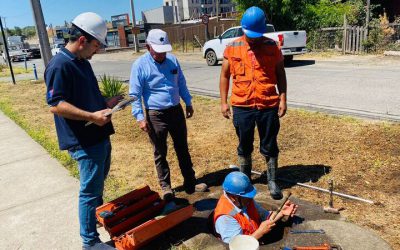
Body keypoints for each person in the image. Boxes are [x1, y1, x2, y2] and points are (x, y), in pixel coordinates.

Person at [44, 12, 120, 250]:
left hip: (98, 135)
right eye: (96, 44)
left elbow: (85, 98)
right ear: (83, 40)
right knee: (89, 191)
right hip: (83, 141)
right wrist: (91, 116)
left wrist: (106, 103)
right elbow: (56, 105)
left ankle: (96, 217)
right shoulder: (60, 65)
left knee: (97, 184)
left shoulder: (82, 63)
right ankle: (90, 242)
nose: (97, 50)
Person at [129, 29, 207, 201]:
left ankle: (190, 182)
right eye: (158, 51)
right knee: (160, 151)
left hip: (175, 110)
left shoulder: (172, 60)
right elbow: (135, 94)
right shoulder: (139, 66)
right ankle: (166, 187)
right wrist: (140, 118)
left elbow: (181, 83)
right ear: (147, 47)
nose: (161, 54)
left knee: (182, 148)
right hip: (155, 114)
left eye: (164, 50)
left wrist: (188, 102)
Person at [219, 6, 288, 200]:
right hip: (242, 105)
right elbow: (224, 76)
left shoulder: (272, 46)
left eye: (257, 34)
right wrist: (223, 102)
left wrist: (282, 98)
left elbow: (281, 73)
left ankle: (272, 180)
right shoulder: (232, 47)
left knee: (270, 144)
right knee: (244, 144)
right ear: (243, 29)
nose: (254, 38)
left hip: (268, 104)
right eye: (250, 34)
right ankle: (245, 178)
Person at [214, 171, 297, 244]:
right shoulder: (225, 218)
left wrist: (281, 213)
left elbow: (266, 218)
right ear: (233, 197)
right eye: (246, 197)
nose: (250, 198)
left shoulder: (245, 201)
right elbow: (236, 246)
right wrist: (260, 232)